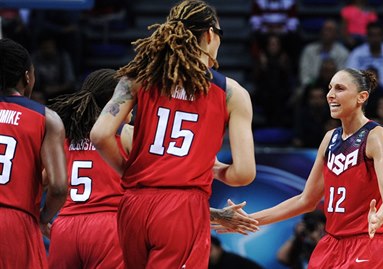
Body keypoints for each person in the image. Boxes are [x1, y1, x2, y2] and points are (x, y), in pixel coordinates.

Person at [89, 1, 258, 268]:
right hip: (182, 207)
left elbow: (99, 135)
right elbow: (244, 174)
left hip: (134, 202)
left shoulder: (137, 77)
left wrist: (129, 174)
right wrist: (208, 166)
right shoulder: (231, 92)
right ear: (210, 35)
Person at [224, 68, 383, 268]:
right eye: (330, 88)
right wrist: (249, 220)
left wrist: (379, 217)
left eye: (340, 88)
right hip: (332, 242)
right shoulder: (329, 139)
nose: (330, 95)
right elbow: (305, 200)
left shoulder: (377, 136)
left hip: (368, 242)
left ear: (362, 97)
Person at [46, 69, 127, 269]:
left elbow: (36, 184)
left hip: (65, 227)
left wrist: (42, 222)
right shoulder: (125, 135)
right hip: (108, 227)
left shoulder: (64, 139)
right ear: (114, 102)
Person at [0, 38, 68, 268]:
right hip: (15, 223)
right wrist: (42, 219)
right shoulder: (46, 118)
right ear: (27, 77)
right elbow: (59, 187)